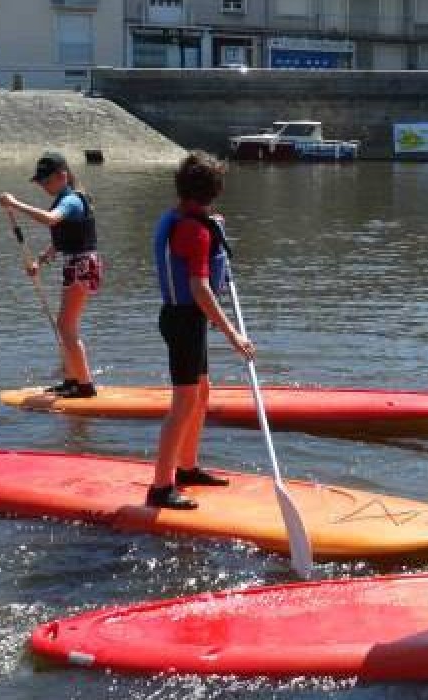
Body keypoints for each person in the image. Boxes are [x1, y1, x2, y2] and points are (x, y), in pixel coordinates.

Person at [147, 151, 255, 510]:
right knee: (183, 403)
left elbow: (194, 234)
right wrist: (234, 335)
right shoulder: (195, 232)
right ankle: (161, 487)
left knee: (201, 392)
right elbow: (199, 288)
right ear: (215, 191)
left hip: (185, 319)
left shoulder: (180, 218)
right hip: (184, 321)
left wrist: (211, 222)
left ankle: (188, 467)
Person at [0, 152, 101, 399]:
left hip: (83, 266)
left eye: (47, 181)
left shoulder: (72, 201)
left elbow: (50, 221)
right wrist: (40, 261)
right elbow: (62, 239)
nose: (44, 186)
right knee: (64, 326)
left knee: (67, 326)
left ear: (62, 176)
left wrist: (15, 204)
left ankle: (85, 386)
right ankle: (71, 379)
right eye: (41, 182)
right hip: (75, 264)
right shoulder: (63, 200)